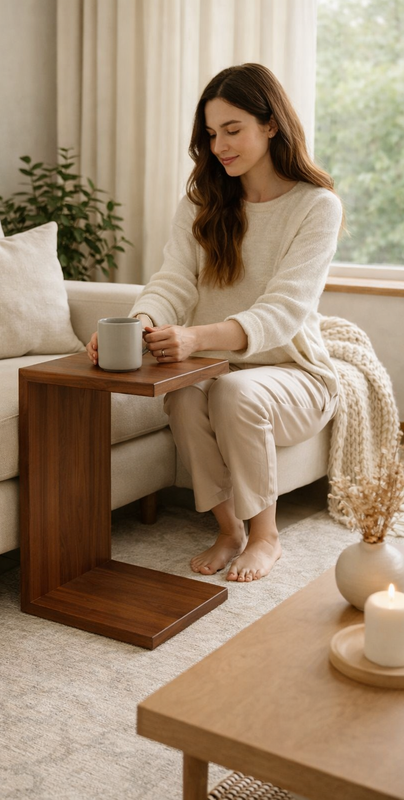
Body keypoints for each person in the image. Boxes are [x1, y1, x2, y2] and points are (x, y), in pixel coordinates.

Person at [86, 63, 342, 583]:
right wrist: (140, 323)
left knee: (231, 393)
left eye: (232, 130)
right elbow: (174, 280)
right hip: (221, 368)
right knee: (184, 392)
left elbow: (283, 311)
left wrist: (196, 338)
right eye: (210, 133)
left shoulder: (317, 207)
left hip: (296, 375)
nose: (219, 145)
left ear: (271, 125)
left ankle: (266, 536)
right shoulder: (203, 201)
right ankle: (229, 530)